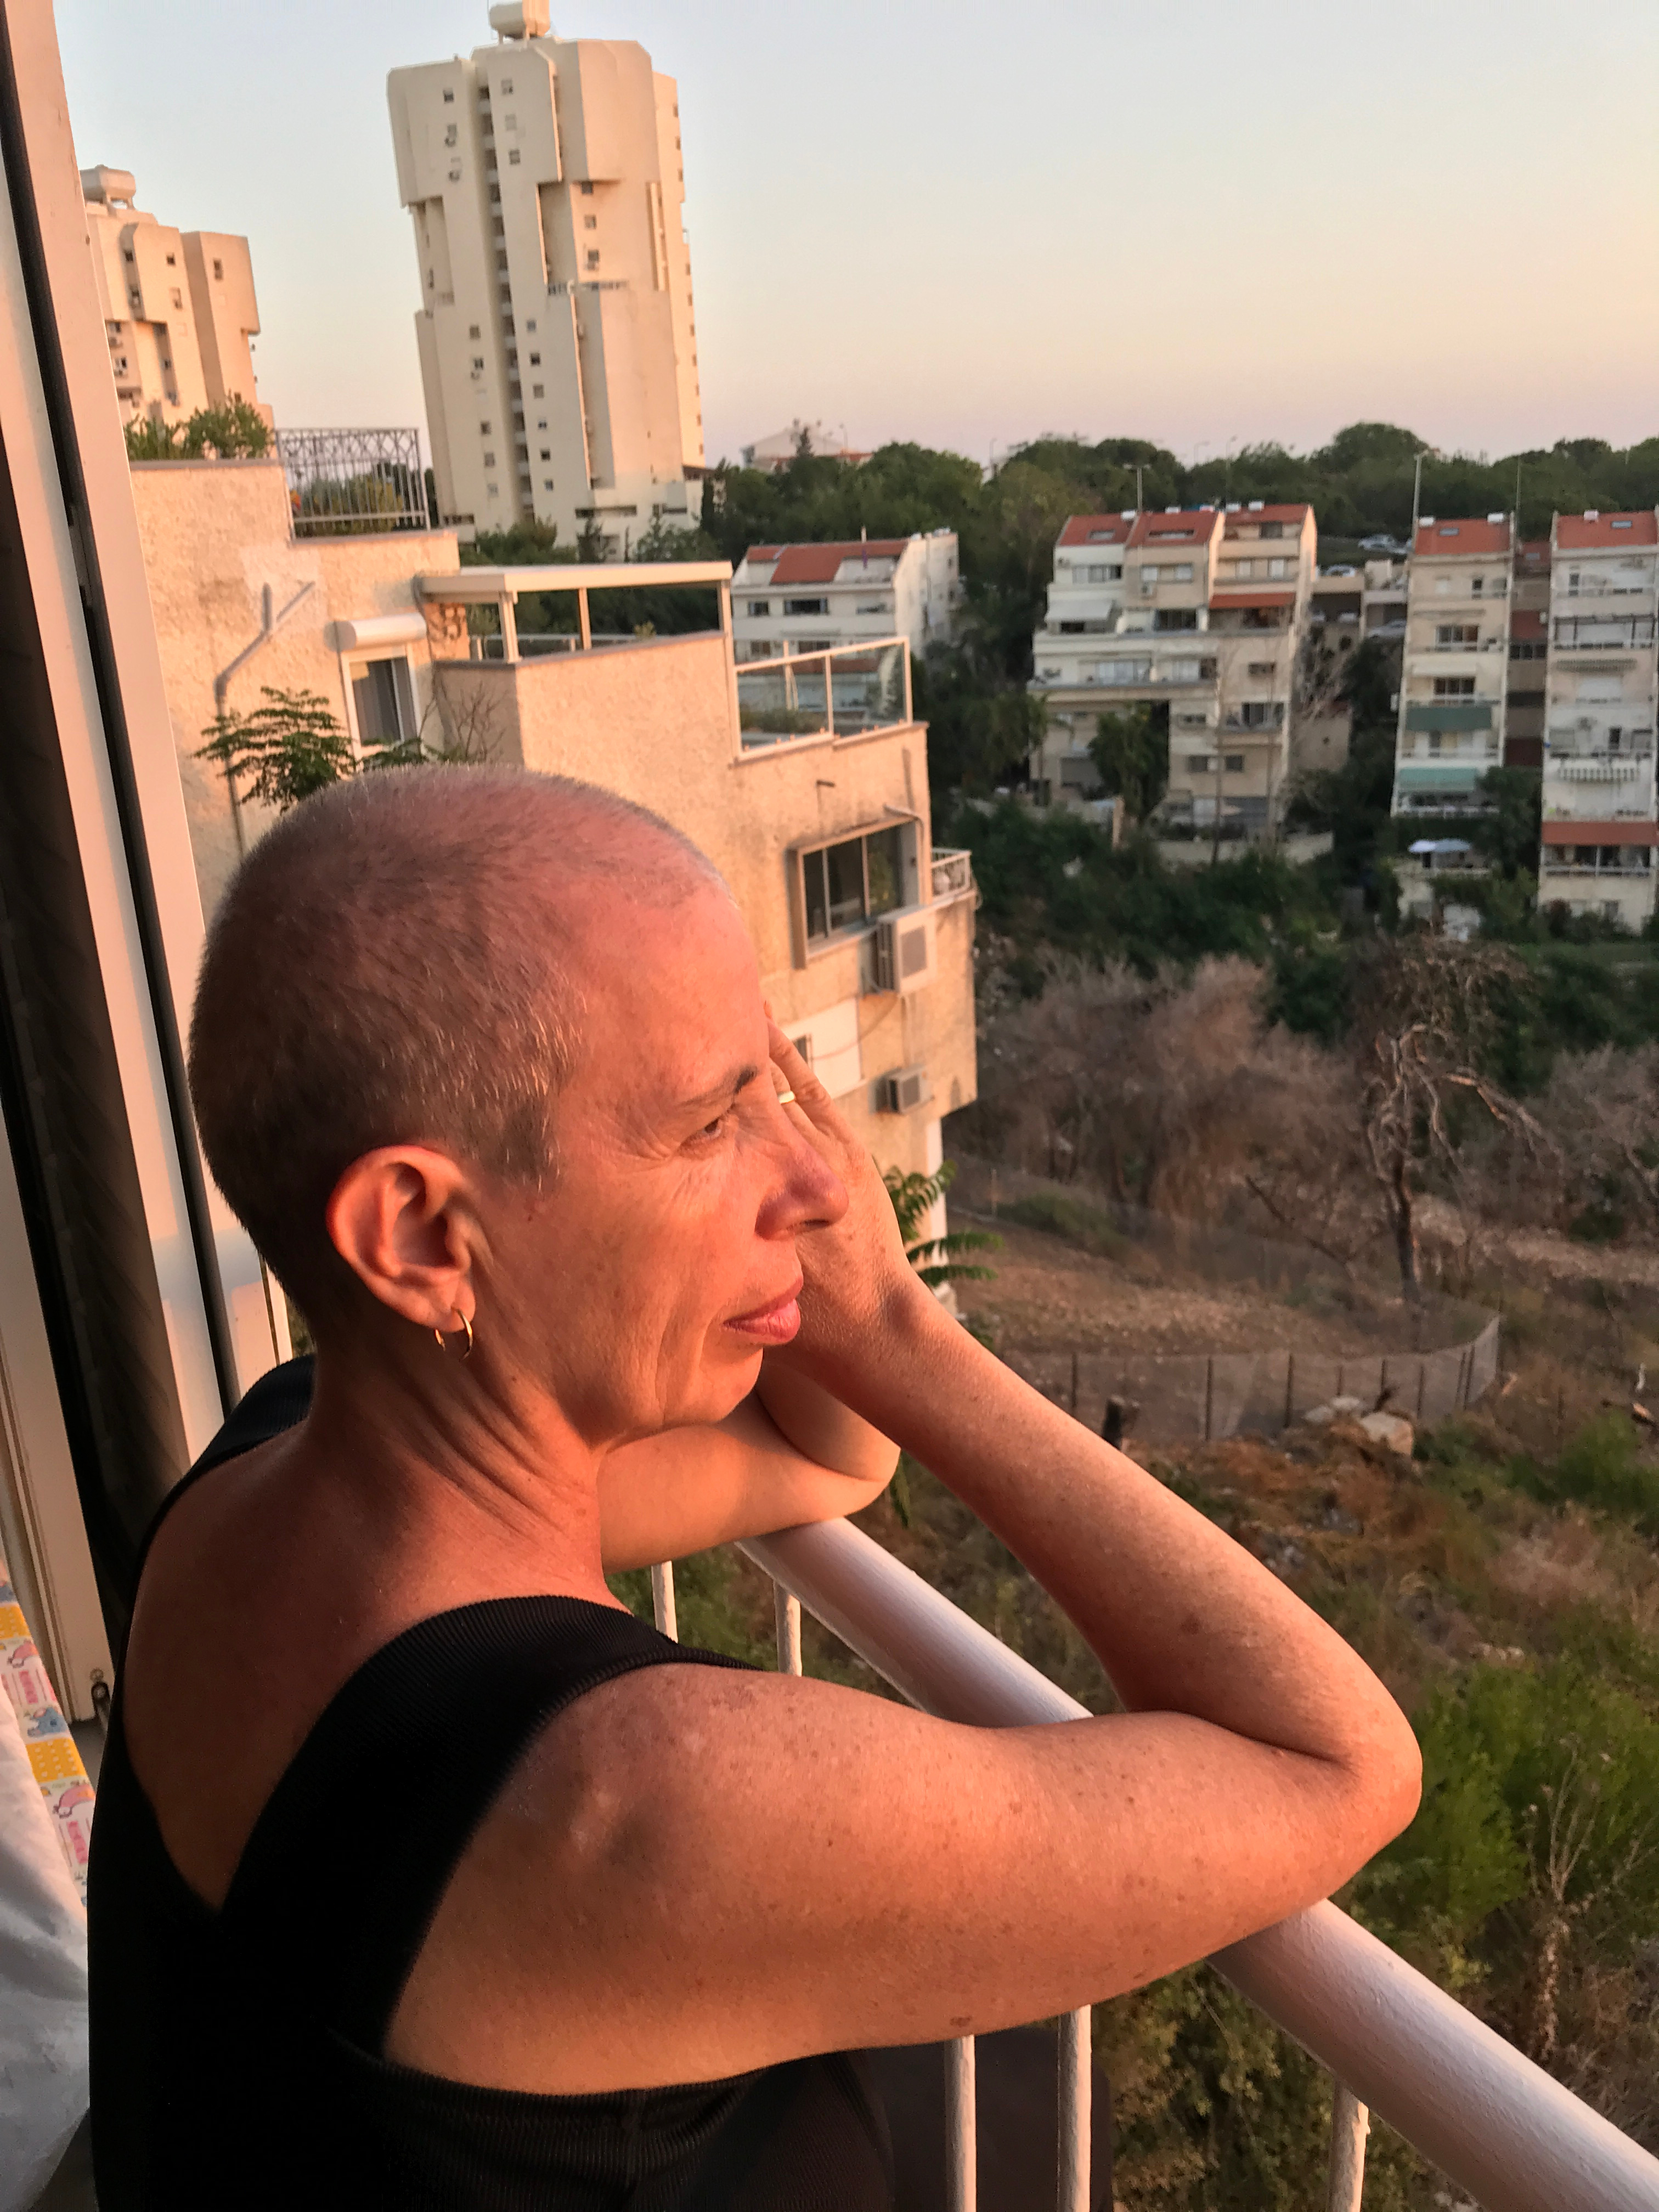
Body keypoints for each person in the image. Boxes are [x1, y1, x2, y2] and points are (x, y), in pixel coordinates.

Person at [88, 768, 1420, 2210]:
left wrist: (803, 1287)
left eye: (775, 1091)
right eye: (713, 1124)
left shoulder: (255, 1484)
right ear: (418, 1236)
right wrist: (903, 1333)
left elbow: (826, 1460)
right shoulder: (634, 1803)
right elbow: (1333, 1764)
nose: (824, 1183)